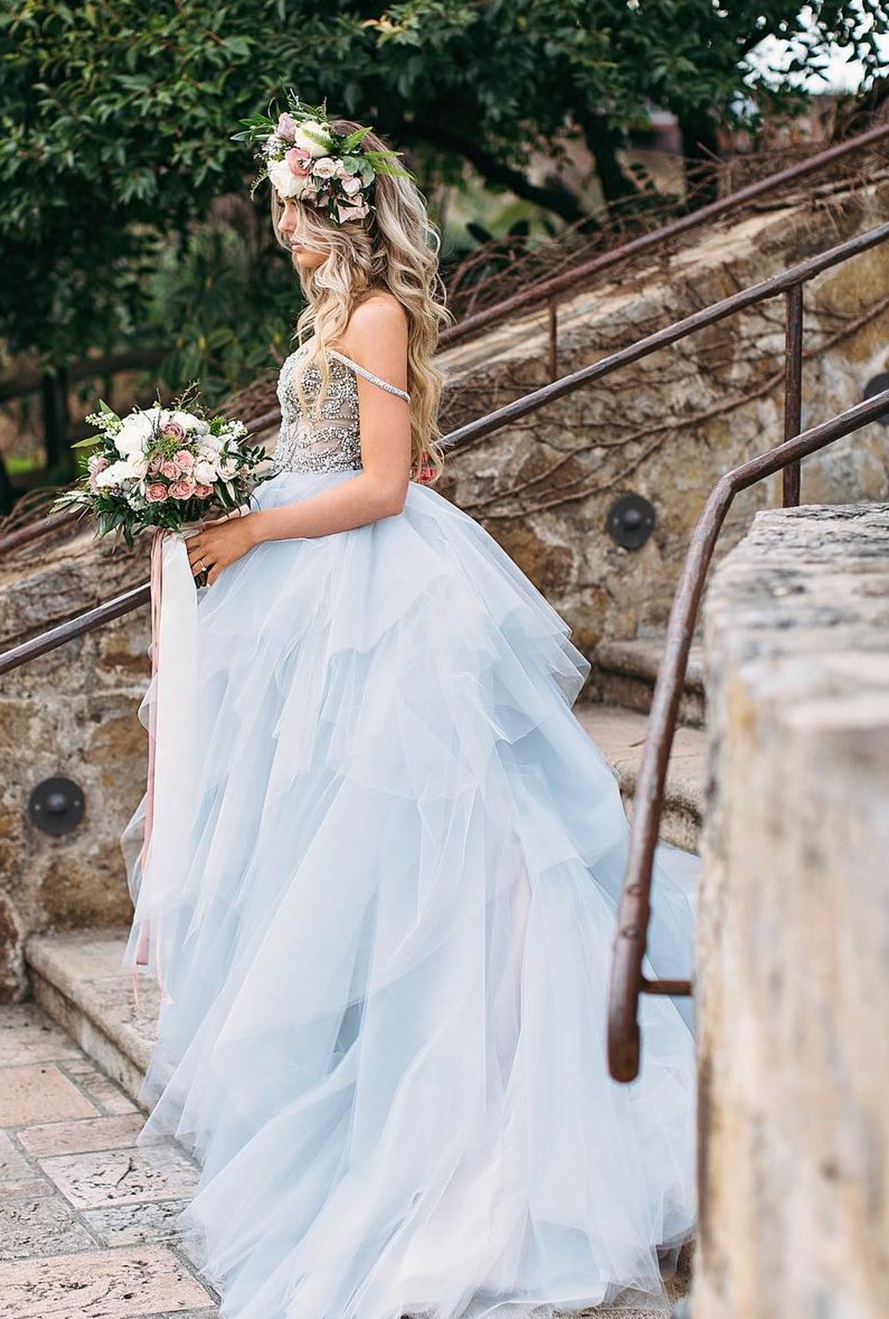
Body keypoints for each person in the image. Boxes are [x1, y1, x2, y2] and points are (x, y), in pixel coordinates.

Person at [119, 94, 699, 1319]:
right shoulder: (335, 311)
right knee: (347, 861)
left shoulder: (374, 313)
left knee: (448, 858)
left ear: (336, 211)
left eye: (289, 208)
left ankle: (477, 1135)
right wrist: (207, 492)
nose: (279, 229)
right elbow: (384, 455)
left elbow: (384, 490)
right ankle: (380, 1088)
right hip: (321, 595)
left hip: (378, 599)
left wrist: (252, 524)